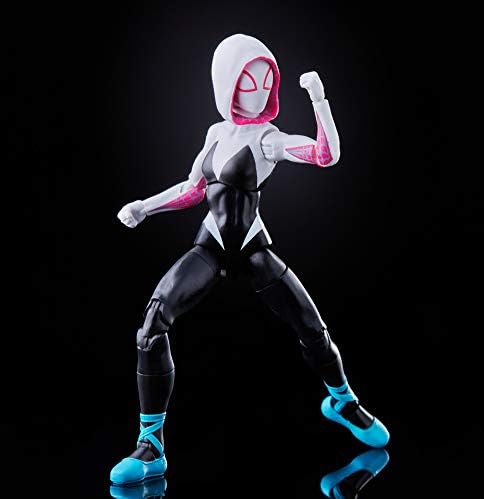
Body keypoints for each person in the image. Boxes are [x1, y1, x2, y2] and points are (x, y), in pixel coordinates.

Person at [110, 33, 389, 486]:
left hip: (254, 248)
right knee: (151, 326)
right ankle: (150, 445)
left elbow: (325, 155)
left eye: (266, 83)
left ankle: (342, 401)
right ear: (226, 84)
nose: (259, 93)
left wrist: (319, 101)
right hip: (212, 245)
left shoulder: (267, 139)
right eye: (247, 82)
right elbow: (193, 189)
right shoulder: (216, 134)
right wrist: (145, 207)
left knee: (310, 326)